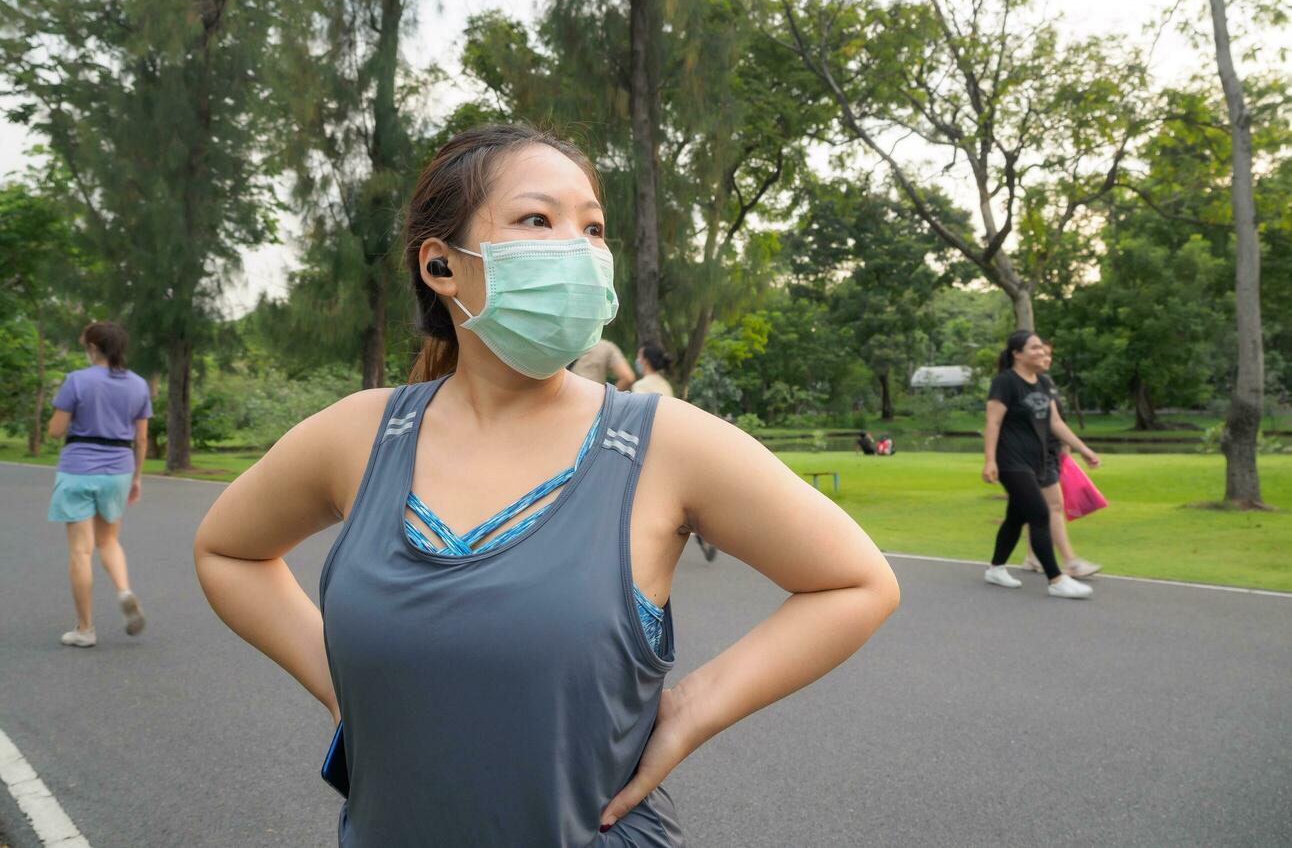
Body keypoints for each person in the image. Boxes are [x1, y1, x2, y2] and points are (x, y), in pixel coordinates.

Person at [194, 124, 900, 847]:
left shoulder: (666, 443)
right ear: (441, 265)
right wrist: (343, 688)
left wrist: (688, 714)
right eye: (538, 219)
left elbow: (855, 583)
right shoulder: (360, 436)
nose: (579, 248)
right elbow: (227, 551)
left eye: (593, 227)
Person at [46, 322, 150, 646]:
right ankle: (124, 590)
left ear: (93, 348)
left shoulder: (77, 380)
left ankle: (85, 629)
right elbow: (142, 437)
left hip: (78, 468)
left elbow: (55, 430)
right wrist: (136, 477)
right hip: (118, 469)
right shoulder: (138, 385)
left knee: (80, 551)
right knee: (109, 542)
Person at [982, 330, 1100, 600]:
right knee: (1039, 514)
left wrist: (1083, 449)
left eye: (1041, 348)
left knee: (1016, 516)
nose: (1041, 352)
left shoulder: (1043, 383)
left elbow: (1056, 423)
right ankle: (1056, 579)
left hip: (1035, 462)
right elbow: (993, 422)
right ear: (1017, 353)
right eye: (1034, 348)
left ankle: (996, 568)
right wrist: (990, 460)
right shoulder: (1005, 382)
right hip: (1011, 461)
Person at [1020, 343, 1101, 578]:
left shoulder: (1046, 383)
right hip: (1034, 455)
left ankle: (1032, 557)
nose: (1046, 358)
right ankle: (1070, 562)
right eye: (1040, 353)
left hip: (1051, 453)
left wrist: (1069, 447)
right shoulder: (1019, 385)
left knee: (1031, 508)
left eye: (1048, 354)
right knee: (1053, 506)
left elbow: (1056, 421)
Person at [570, 337, 636, 390]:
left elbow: (628, 378)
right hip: (593, 400)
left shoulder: (562, 344)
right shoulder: (606, 347)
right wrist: (607, 398)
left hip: (565, 399)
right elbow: (628, 378)